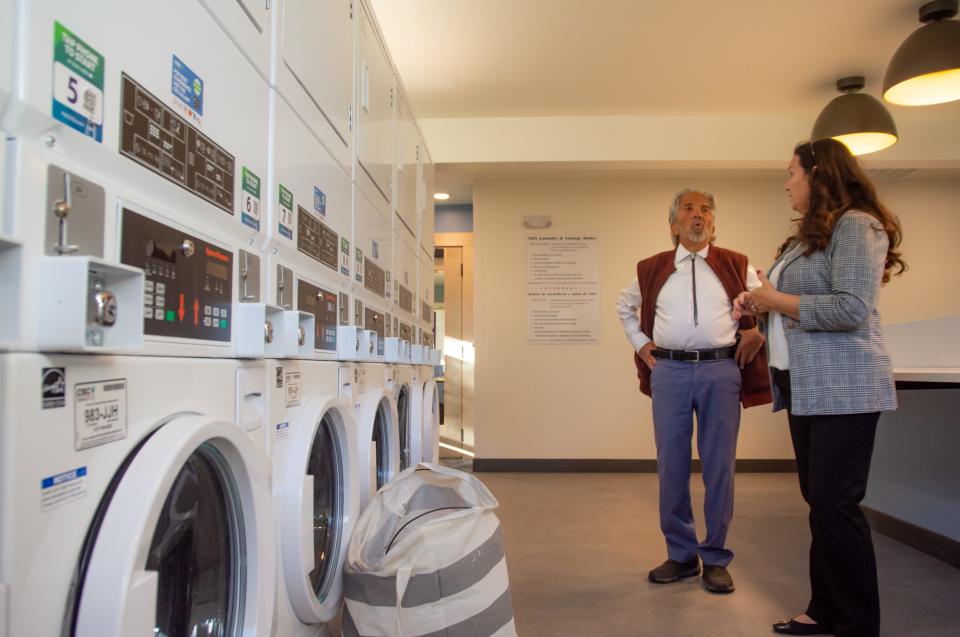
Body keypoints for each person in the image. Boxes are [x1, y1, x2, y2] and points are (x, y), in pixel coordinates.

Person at [733, 139, 905, 637]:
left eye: (792, 173)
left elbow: (851, 308)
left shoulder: (858, 224)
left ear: (818, 173)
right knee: (821, 504)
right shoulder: (808, 235)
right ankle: (824, 609)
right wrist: (760, 304)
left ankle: (857, 623)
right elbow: (795, 298)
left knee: (835, 504)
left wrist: (777, 299)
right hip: (806, 388)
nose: (786, 183)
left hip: (844, 388)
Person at [617, 188, 771, 594]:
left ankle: (716, 556)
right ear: (674, 224)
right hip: (668, 370)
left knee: (719, 466)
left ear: (713, 223)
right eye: (688, 209)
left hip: (722, 370)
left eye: (706, 210)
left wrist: (755, 331)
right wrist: (640, 342)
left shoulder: (737, 264)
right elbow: (623, 304)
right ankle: (682, 555)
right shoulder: (652, 268)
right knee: (671, 464)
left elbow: (766, 302)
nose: (698, 215)